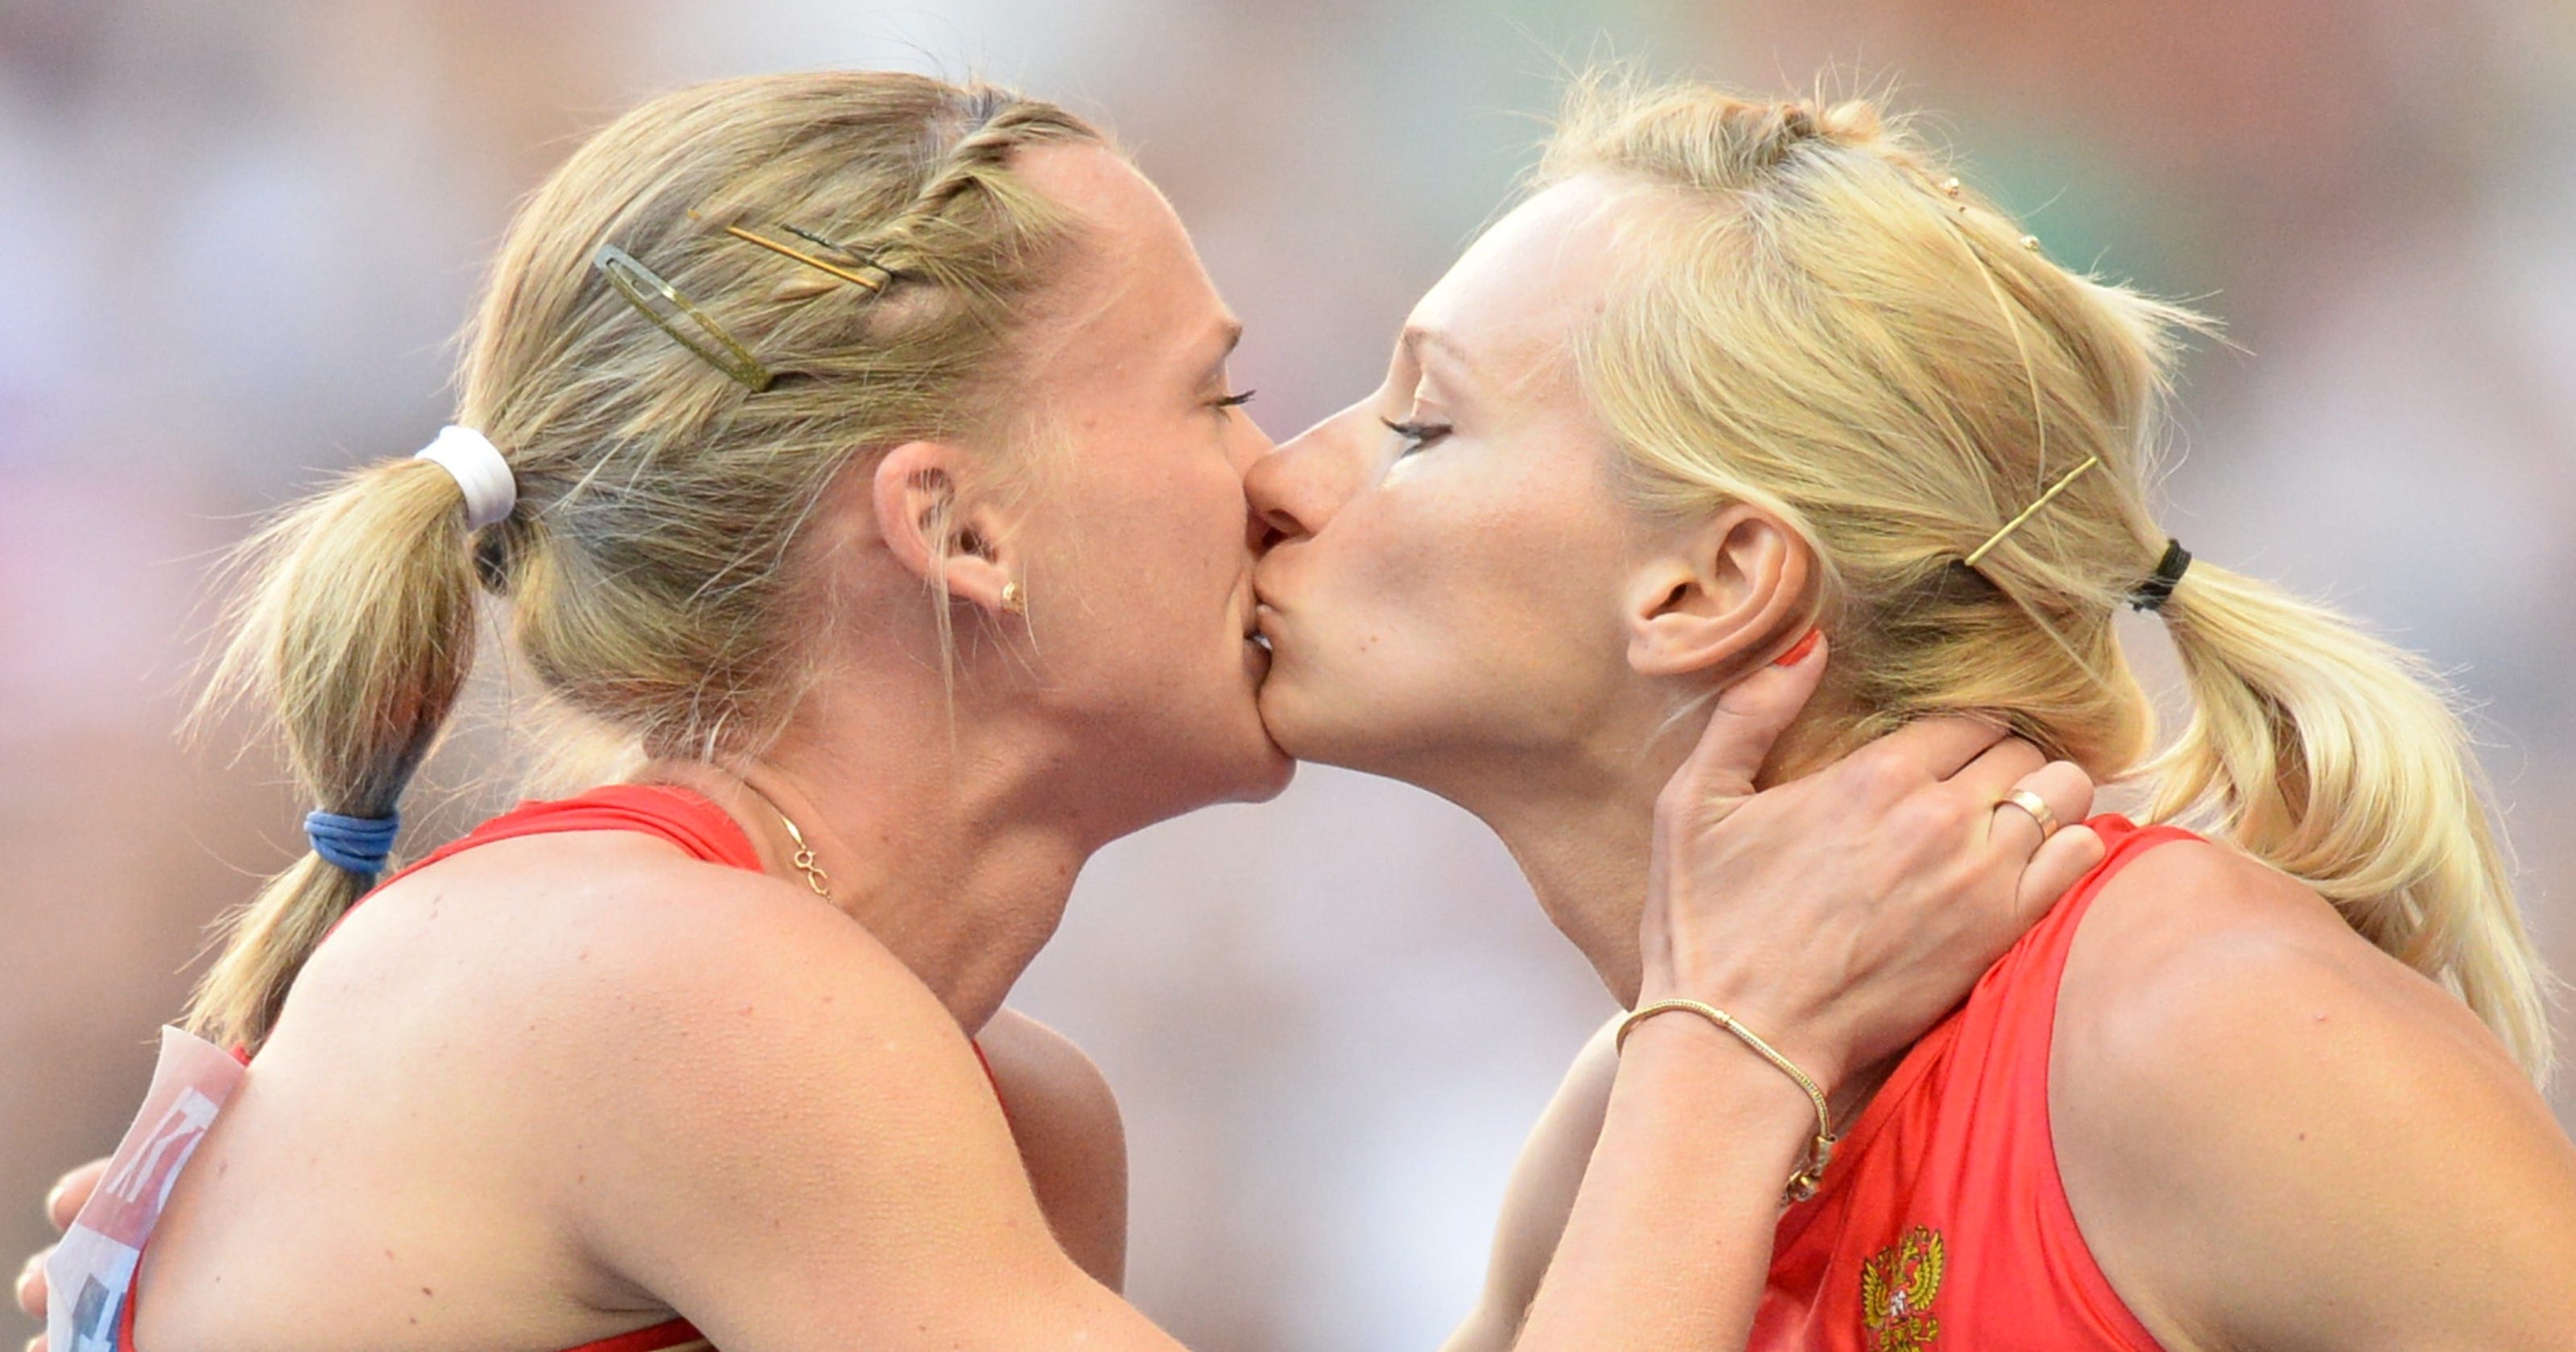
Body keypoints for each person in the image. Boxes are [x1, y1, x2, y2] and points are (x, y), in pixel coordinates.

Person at [11, 69, 2095, 1352]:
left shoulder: (994, 1111)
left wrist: (1608, 1146)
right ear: (956, 531)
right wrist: (1721, 1064)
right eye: (1212, 394)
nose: (1286, 474)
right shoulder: (674, 985)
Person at [1240, 74, 2576, 1350]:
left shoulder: (2197, 1025)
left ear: (1712, 580)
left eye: (1421, 425)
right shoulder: (1641, 1122)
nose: (1285, 477)